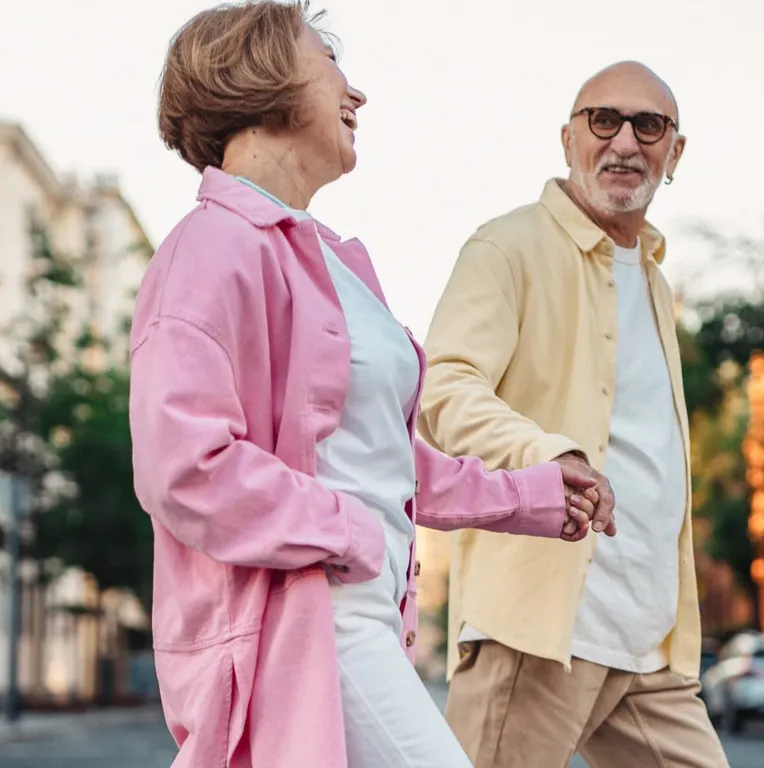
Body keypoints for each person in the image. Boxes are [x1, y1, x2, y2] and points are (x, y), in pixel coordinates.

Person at [129, 3, 614, 767]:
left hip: (362, 617)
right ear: (266, 80)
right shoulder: (212, 247)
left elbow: (394, 464)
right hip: (311, 620)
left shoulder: (331, 265)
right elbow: (184, 467)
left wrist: (538, 494)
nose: (356, 94)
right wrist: (350, 530)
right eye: (331, 64)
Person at [419, 61, 729, 767]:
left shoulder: (652, 276)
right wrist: (543, 455)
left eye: (648, 125)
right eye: (603, 120)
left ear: (674, 152)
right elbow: (443, 385)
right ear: (568, 140)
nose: (624, 141)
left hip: (649, 646)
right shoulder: (509, 246)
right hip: (541, 632)